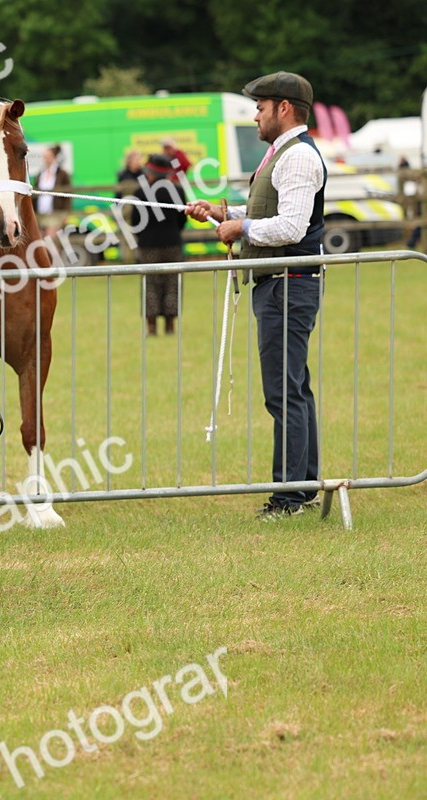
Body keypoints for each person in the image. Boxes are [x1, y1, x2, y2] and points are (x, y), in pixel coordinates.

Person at [187, 71, 325, 519]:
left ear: (283, 108)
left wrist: (241, 227)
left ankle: (290, 497)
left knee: (283, 392)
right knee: (293, 388)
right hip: (280, 283)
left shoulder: (297, 156)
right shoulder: (283, 153)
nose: (255, 116)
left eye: (261, 108)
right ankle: (302, 488)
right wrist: (221, 213)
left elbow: (292, 226)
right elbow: (270, 211)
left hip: (289, 283)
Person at [131, 155, 187, 335]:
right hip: (172, 243)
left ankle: (152, 325)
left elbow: (135, 221)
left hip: (148, 245)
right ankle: (170, 324)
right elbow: (182, 219)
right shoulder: (177, 191)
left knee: (151, 283)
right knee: (172, 282)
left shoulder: (140, 193)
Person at [33, 145, 71, 237]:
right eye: (44, 156)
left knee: (51, 239)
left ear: (54, 157)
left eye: (47, 156)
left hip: (55, 213)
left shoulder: (62, 174)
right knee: (40, 239)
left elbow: (68, 195)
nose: (44, 159)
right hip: (40, 213)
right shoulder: (40, 173)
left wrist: (65, 213)